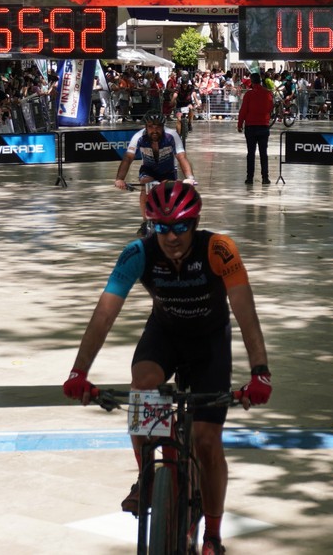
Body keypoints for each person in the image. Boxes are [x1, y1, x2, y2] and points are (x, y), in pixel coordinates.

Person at [62, 182, 272, 555]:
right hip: (165, 335)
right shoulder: (137, 253)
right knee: (142, 387)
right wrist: (79, 372)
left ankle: (212, 536)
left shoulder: (219, 249)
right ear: (151, 225)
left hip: (209, 343)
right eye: (161, 227)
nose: (171, 236)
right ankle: (147, 474)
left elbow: (245, 311)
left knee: (206, 441)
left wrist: (260, 371)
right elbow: (104, 313)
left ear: (195, 223)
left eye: (180, 227)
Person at [114, 111, 197, 236]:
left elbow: (181, 157)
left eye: (158, 126)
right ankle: (145, 222)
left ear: (163, 126)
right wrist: (119, 179)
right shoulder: (138, 137)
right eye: (151, 127)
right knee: (145, 188)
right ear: (146, 127)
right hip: (148, 170)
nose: (154, 130)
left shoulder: (172, 135)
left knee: (170, 196)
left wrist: (189, 178)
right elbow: (128, 158)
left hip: (168, 171)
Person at [236, 76, 274, 185]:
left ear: (252, 82)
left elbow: (243, 110)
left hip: (251, 127)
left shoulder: (249, 94)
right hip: (263, 126)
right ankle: (265, 178)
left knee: (251, 153)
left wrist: (240, 124)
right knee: (263, 153)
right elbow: (271, 108)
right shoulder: (268, 94)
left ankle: (250, 178)